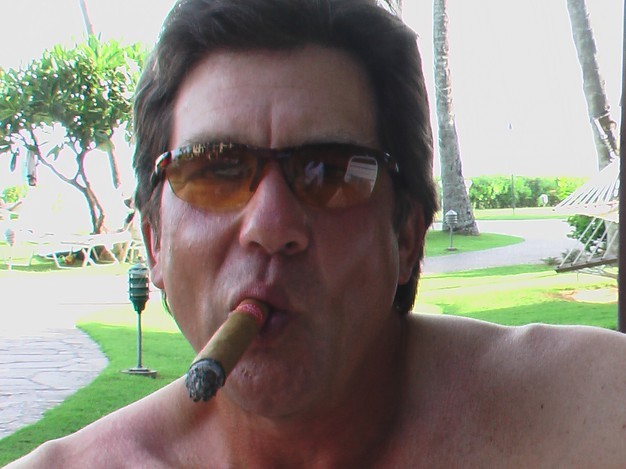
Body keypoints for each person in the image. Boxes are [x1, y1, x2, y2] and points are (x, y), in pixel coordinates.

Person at [8, 0, 626, 467]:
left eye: (329, 172)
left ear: (407, 237)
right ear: (155, 244)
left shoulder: (594, 413)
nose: (270, 226)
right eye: (216, 170)